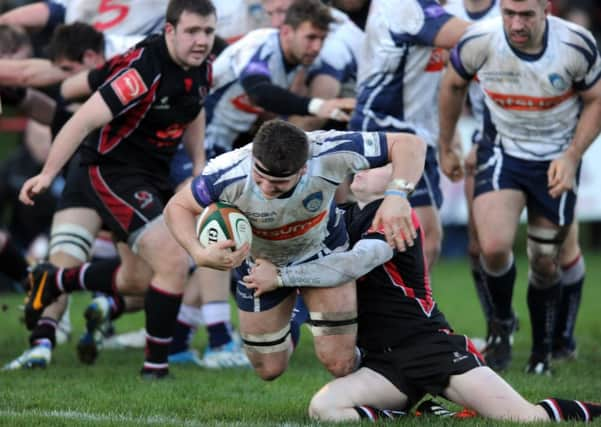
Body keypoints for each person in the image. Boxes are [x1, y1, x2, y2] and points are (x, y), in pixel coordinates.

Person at [244, 164, 601, 423]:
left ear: (400, 182)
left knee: (526, 419)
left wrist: (282, 276)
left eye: (380, 165)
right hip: (382, 361)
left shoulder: (401, 217)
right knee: (325, 409)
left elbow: (351, 266)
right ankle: (424, 412)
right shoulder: (339, 218)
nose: (364, 168)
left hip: (431, 348)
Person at [6, 0, 217, 379]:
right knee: (172, 259)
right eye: (192, 31)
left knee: (138, 281)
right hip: (111, 170)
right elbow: (83, 120)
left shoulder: (203, 66)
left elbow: (195, 107)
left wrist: (199, 161)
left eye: (208, 31)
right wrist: (47, 173)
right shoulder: (141, 71)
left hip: (151, 175)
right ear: (169, 31)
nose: (201, 40)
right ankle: (156, 368)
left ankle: (56, 279)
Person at [163, 118, 426, 380]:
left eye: (277, 184)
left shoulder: (328, 151)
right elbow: (178, 207)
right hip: (260, 264)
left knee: (340, 363)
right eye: (259, 176)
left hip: (322, 249)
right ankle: (299, 307)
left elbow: (409, 143)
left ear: (303, 169)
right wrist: (198, 253)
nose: (265, 189)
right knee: (269, 369)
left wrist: (397, 195)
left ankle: (391, 379)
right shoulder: (226, 171)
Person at [437, 0, 601, 374]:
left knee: (545, 261)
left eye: (526, 14)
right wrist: (446, 144)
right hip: (503, 153)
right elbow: (451, 84)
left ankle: (543, 351)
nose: (515, 23)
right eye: (509, 13)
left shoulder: (576, 44)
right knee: (492, 248)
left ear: (546, 9)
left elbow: (596, 99)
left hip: (556, 158)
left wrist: (573, 155)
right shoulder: (479, 39)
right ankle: (501, 325)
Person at [349, 0, 469, 270]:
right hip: (384, 131)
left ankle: (404, 308)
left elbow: (435, 83)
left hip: (418, 135)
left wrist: (450, 141)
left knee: (422, 238)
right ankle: (402, 309)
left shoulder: (441, 12)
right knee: (416, 235)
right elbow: (477, 38)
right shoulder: (407, 5)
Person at [204, 0, 355, 159]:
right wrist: (316, 106)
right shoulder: (260, 45)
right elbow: (259, 92)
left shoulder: (297, 59)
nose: (317, 47)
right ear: (286, 32)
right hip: (202, 136)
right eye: (310, 37)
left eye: (322, 39)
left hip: (230, 142)